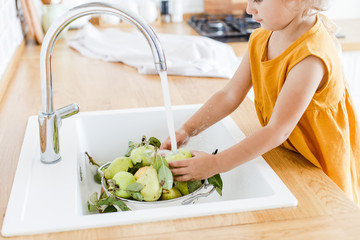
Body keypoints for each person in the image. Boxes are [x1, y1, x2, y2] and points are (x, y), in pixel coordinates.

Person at [160, 0, 360, 205]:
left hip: (320, 167)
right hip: (289, 154)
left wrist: (215, 164)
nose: (249, 9)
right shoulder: (262, 37)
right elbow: (230, 94)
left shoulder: (311, 56)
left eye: (258, 0)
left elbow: (277, 131)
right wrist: (187, 129)